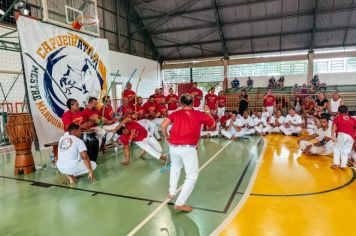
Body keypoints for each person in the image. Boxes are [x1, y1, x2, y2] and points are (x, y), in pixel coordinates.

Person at [161, 94, 215, 212]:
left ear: (180, 103)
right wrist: (207, 111)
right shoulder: (199, 114)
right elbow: (212, 124)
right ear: (193, 103)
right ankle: (179, 203)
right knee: (191, 176)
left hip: (174, 147)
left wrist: (166, 136)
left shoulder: (175, 113)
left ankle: (172, 193)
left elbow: (163, 125)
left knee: (175, 168)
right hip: (188, 148)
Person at [331, 105, 356, 170]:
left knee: (337, 148)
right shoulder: (352, 119)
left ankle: (336, 163)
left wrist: (332, 135)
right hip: (351, 137)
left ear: (338, 112)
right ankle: (343, 165)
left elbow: (334, 126)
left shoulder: (337, 118)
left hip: (342, 134)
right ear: (347, 112)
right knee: (345, 151)